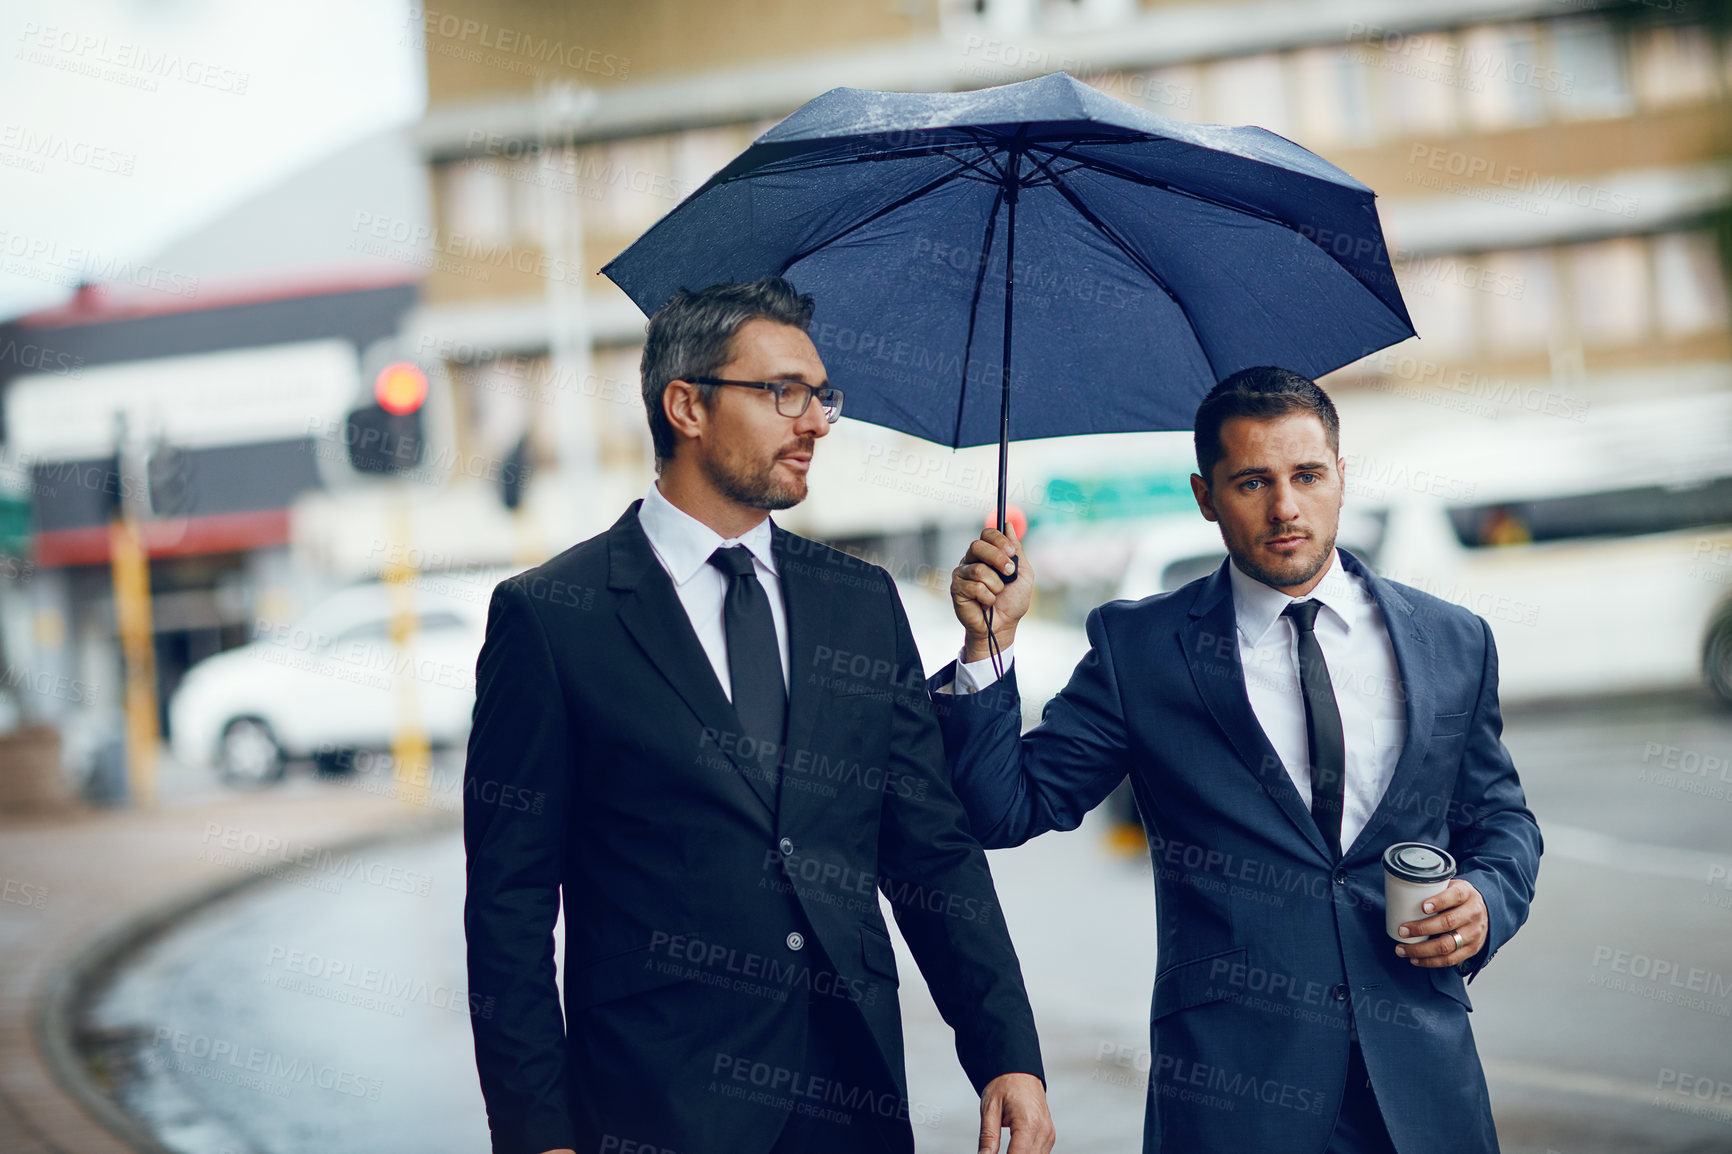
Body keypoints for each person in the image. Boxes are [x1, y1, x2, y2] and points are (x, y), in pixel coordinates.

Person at [463, 277, 1054, 1154]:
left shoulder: (860, 602)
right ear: (686, 406)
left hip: (849, 1097)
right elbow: (507, 910)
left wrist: (1007, 1052)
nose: (815, 422)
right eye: (784, 393)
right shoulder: (552, 619)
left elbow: (930, 848)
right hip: (652, 1104)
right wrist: (536, 1132)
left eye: (822, 397)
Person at [934, 366, 1542, 1153]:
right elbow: (1002, 809)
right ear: (1204, 496)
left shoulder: (1453, 639)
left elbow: (1500, 819)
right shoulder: (1140, 650)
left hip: (1422, 1087)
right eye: (1253, 482)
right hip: (1232, 1098)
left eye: (1307, 475)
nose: (1286, 507)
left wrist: (1488, 899)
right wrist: (988, 646)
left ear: (1341, 477)